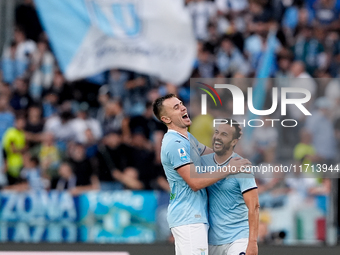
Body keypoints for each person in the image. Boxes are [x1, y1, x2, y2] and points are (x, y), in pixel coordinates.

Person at [153, 94, 250, 255]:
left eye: (181, 104)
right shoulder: (174, 144)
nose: (183, 107)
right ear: (166, 119)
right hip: (187, 217)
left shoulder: (187, 138)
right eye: (176, 107)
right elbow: (195, 182)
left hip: (196, 216)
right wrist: (229, 168)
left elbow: (213, 156)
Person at [201, 121, 259, 255]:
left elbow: (254, 206)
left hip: (238, 238)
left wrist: (252, 243)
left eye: (224, 134)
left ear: (233, 142)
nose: (218, 137)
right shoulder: (203, 162)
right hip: (210, 240)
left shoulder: (242, 166)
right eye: (216, 132)